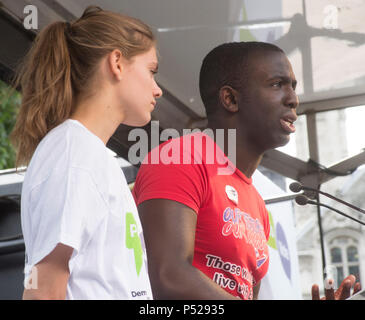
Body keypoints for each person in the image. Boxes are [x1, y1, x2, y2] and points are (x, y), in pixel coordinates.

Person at [132, 41, 361, 300]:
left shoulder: (257, 205)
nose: (293, 99)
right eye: (277, 84)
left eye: (293, 87)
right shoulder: (180, 160)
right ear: (230, 99)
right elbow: (169, 277)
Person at [11, 6, 162, 300]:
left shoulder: (86, 153)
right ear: (117, 62)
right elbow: (42, 290)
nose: (158, 90)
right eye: (151, 71)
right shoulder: (73, 153)